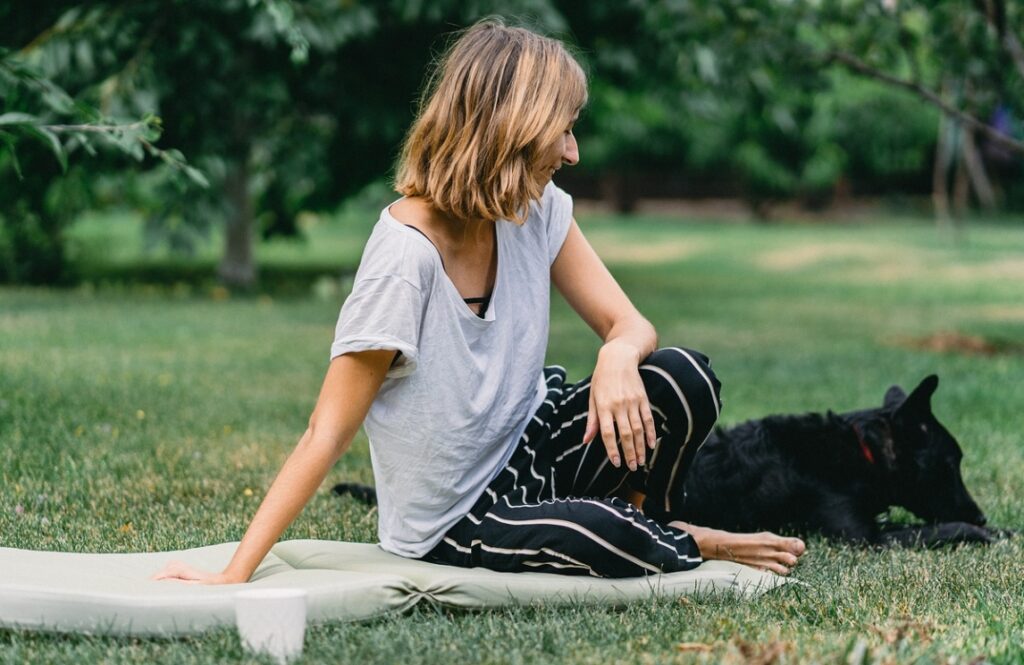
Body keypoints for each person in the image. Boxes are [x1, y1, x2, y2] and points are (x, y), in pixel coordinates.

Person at [153, 19, 805, 584]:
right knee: (609, 534)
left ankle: (647, 521)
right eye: (564, 130)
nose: (573, 152)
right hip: (458, 516)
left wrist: (616, 354)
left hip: (536, 441)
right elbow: (326, 431)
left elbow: (629, 322)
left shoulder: (536, 209)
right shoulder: (405, 260)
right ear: (512, 129)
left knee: (681, 377)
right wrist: (234, 570)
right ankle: (673, 534)